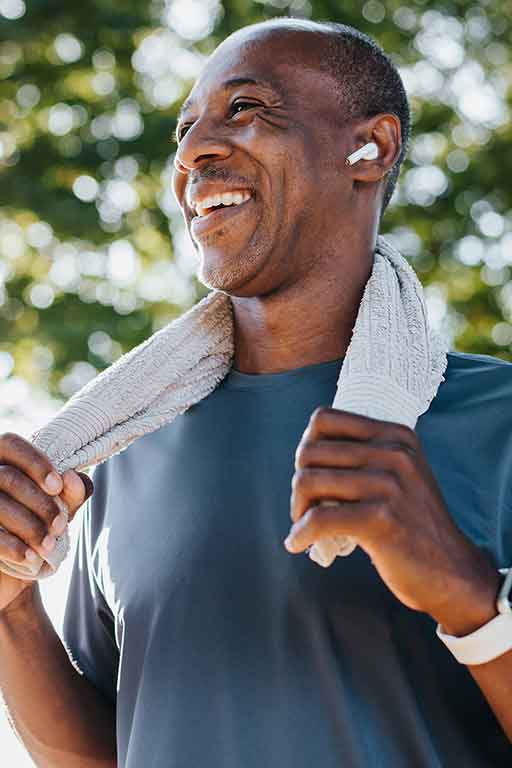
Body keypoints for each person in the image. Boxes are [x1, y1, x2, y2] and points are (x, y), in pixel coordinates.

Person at [0, 17, 511, 768]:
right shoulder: (117, 450)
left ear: (371, 148)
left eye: (245, 109)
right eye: (185, 129)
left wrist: (470, 597)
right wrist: (11, 609)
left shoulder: (499, 424)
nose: (192, 152)